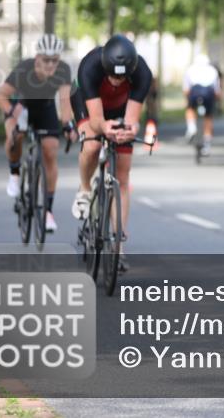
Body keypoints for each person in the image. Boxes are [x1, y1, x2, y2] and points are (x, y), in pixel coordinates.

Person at [69, 35, 153, 271]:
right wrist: (104, 128)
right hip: (89, 104)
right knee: (92, 145)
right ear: (105, 67)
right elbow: (96, 120)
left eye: (122, 77)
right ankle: (85, 188)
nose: (117, 81)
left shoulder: (142, 73)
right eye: (112, 76)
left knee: (123, 176)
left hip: (120, 107)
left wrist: (129, 130)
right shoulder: (90, 66)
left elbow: (132, 119)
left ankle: (118, 246)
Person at [0, 34, 77, 233]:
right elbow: (0, 95)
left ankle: (48, 211)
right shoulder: (24, 69)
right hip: (19, 107)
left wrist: (68, 125)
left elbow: (65, 102)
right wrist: (10, 111)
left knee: (51, 149)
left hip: (44, 109)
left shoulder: (63, 70)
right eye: (46, 60)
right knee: (16, 136)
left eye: (54, 60)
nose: (50, 64)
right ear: (37, 58)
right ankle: (14, 173)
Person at [183, 53, 222, 156]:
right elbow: (217, 90)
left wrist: (187, 100)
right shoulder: (213, 70)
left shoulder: (190, 69)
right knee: (208, 118)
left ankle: (191, 127)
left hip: (195, 93)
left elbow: (186, 89)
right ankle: (207, 144)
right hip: (208, 94)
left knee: (190, 109)